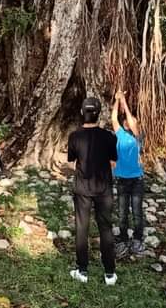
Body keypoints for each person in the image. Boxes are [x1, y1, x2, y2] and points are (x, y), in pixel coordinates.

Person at [67, 96, 119, 285]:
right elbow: (113, 163)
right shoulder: (109, 137)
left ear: (82, 112)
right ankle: (109, 273)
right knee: (106, 228)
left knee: (82, 228)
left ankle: (82, 271)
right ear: (99, 114)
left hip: (82, 189)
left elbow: (71, 163)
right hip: (103, 189)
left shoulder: (74, 136)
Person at [111, 91, 145, 257]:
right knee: (122, 213)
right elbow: (113, 118)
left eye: (131, 120)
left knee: (137, 212)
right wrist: (117, 100)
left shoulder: (138, 136)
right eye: (125, 119)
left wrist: (124, 100)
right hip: (122, 180)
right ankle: (123, 240)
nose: (128, 122)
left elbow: (132, 121)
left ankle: (137, 239)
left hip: (137, 180)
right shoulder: (120, 134)